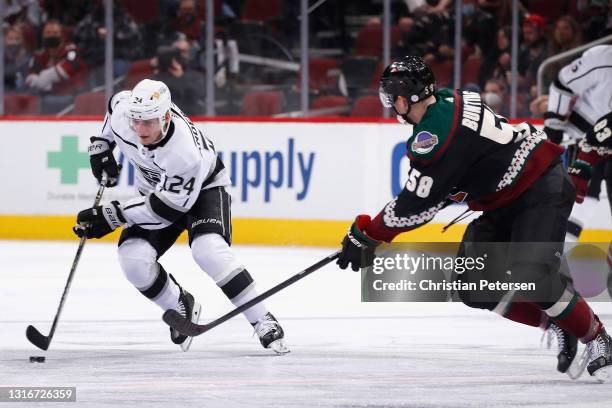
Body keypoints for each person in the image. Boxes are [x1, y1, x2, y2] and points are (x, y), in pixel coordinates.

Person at [337, 56, 612, 381]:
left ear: (402, 98)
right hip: (504, 197)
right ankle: (557, 320)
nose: (390, 106)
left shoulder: (433, 137)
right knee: (474, 287)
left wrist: (367, 233)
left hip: (540, 186)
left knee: (535, 277)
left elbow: (415, 206)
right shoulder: (448, 99)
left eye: (390, 98)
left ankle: (597, 337)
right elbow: (441, 186)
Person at [72, 79, 289, 355]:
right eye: (136, 120)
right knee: (133, 260)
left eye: (148, 122)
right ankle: (180, 306)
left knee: (207, 250)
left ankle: (262, 318)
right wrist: (101, 145)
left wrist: (114, 216)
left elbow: (166, 211)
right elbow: (115, 103)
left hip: (204, 189)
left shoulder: (184, 153)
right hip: (155, 193)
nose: (140, 129)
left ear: (165, 116)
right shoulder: (125, 115)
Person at [543, 45, 612, 241]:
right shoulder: (603, 58)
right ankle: (553, 258)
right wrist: (554, 126)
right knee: (579, 199)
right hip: (585, 140)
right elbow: (563, 84)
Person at [26, 19, 87, 94]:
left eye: (55, 33)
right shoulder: (40, 55)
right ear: (43, 36)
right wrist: (37, 81)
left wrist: (48, 75)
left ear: (61, 35)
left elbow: (72, 63)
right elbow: (30, 76)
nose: (51, 35)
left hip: (73, 95)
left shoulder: (72, 50)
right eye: (48, 33)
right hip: (47, 97)